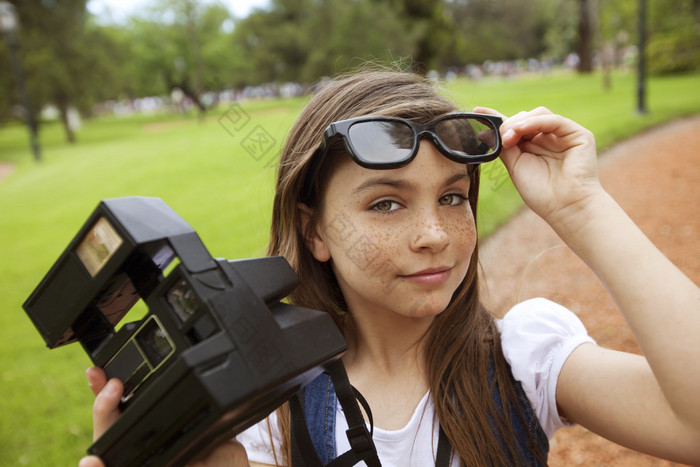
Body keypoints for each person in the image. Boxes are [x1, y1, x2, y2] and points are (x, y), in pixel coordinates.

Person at [80, 70, 700, 467]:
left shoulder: (525, 359)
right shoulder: (268, 416)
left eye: (453, 196)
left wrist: (582, 208)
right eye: (385, 203)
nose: (434, 236)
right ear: (314, 229)